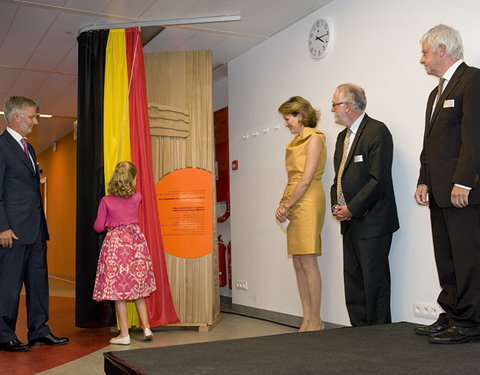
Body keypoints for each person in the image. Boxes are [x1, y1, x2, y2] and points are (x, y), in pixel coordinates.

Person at [414, 24, 480, 344]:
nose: (422, 59)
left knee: (468, 257)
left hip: (462, 192)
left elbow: (474, 137)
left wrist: (464, 183)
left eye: (425, 52)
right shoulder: (435, 92)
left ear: (442, 49)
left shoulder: (473, 80)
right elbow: (431, 143)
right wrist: (423, 179)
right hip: (439, 192)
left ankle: (470, 322)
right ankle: (453, 313)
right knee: (447, 257)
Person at [0, 96, 69, 352]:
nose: (35, 121)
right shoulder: (2, 146)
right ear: (16, 117)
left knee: (38, 283)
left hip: (36, 230)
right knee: (8, 286)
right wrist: (2, 227)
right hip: (13, 232)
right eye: (32, 116)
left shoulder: (27, 148)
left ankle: (39, 331)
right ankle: (3, 334)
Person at [330, 84, 399, 327]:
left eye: (335, 105)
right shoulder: (342, 137)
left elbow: (378, 179)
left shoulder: (377, 132)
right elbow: (338, 177)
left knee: (375, 284)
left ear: (348, 106)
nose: (332, 110)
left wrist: (352, 208)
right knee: (354, 283)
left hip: (373, 222)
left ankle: (379, 338)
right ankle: (358, 336)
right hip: (349, 223)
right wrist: (337, 205)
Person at [275, 96, 326, 332]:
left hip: (308, 199)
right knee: (298, 262)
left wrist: (288, 205)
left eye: (288, 118)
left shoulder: (314, 138)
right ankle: (306, 318)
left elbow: (305, 179)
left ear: (300, 116)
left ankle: (315, 319)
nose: (286, 123)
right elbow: (293, 179)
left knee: (308, 260)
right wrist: (282, 203)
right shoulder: (294, 142)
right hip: (294, 198)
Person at [93, 161, 156, 345]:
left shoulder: (106, 201)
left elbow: (98, 227)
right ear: (133, 179)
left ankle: (124, 334)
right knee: (139, 289)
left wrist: (109, 223)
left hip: (117, 246)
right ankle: (146, 328)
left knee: (118, 293)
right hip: (136, 243)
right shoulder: (137, 197)